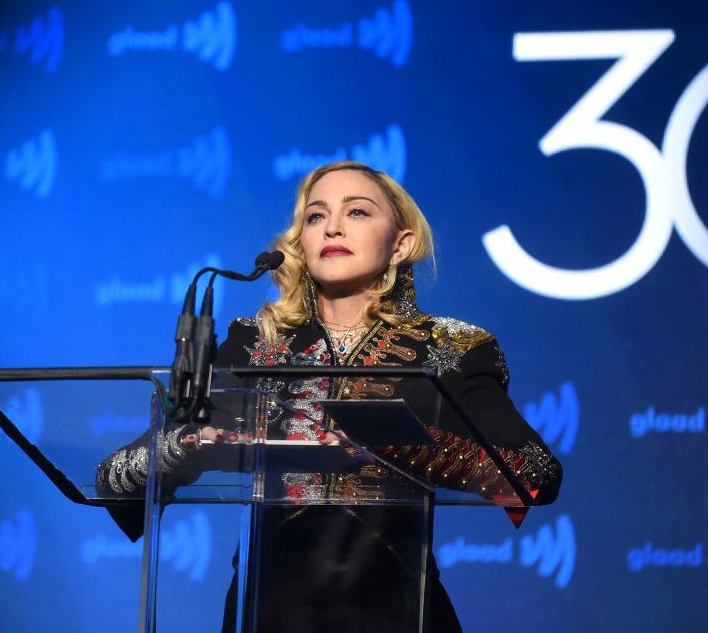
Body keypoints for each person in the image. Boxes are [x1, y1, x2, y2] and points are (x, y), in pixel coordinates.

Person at [96, 160, 562, 632]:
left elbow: (534, 473)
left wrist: (396, 443)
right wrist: (187, 449)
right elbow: (114, 477)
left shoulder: (450, 348)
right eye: (315, 216)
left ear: (401, 244)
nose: (332, 226)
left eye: (357, 212)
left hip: (398, 608)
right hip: (267, 610)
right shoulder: (252, 345)